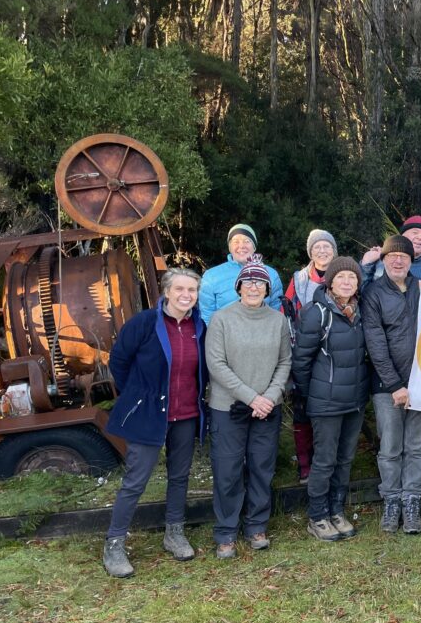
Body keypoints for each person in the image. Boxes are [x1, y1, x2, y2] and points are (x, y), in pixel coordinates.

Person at [101, 268, 207, 578]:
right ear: (166, 291)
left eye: (192, 289)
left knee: (179, 476)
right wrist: (137, 393)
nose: (186, 295)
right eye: (180, 289)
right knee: (136, 480)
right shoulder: (144, 323)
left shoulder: (199, 326)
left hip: (186, 413)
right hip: (149, 412)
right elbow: (118, 361)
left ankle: (174, 532)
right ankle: (115, 543)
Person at [205, 256, 291, 558]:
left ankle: (256, 525)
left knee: (261, 468)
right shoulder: (222, 319)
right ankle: (226, 531)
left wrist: (268, 396)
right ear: (239, 286)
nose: (254, 287)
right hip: (228, 407)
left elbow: (285, 361)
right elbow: (216, 364)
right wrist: (251, 398)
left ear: (267, 288)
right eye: (249, 282)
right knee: (227, 470)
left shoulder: (277, 320)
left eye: (260, 282)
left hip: (268, 407)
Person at [291, 256, 371, 541]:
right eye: (341, 277)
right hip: (325, 400)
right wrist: (310, 394)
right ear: (330, 281)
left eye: (352, 278)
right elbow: (301, 361)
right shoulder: (317, 312)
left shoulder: (361, 311)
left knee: (345, 458)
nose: (347, 282)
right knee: (324, 460)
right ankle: (317, 516)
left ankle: (337, 510)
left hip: (355, 399)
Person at [362, 236, 421, 534]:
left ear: (411, 260)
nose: (398, 261)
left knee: (416, 447)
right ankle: (391, 500)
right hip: (387, 386)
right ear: (384, 260)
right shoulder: (373, 294)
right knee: (390, 448)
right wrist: (394, 385)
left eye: (403, 256)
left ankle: (412, 499)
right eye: (392, 257)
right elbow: (376, 343)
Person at [284, 228, 338, 483]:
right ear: (310, 252)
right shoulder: (299, 278)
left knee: (330, 410)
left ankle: (327, 461)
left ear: (334, 251)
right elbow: (287, 311)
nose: (322, 250)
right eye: (317, 247)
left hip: (335, 354)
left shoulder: (342, 275)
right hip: (304, 350)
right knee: (302, 407)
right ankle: (305, 463)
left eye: (327, 246)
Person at [199, 224, 283, 323]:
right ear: (229, 247)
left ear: (254, 247)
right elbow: (207, 314)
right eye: (236, 241)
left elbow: (275, 310)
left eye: (247, 241)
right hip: (225, 336)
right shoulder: (211, 276)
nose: (241, 246)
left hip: (261, 335)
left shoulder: (271, 275)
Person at [363, 215, 421, 286]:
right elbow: (362, 294)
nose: (420, 237)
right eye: (415, 232)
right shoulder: (381, 261)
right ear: (402, 237)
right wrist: (366, 264)